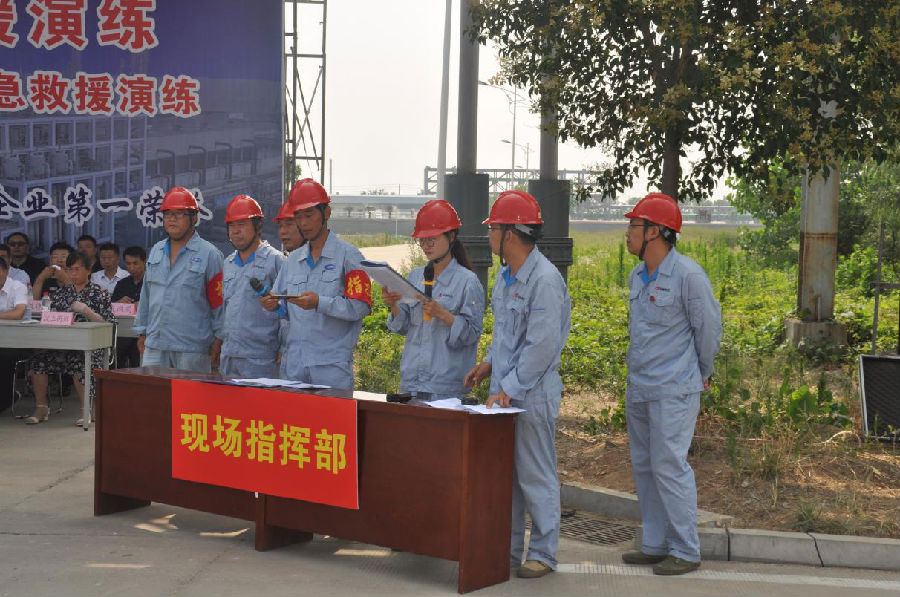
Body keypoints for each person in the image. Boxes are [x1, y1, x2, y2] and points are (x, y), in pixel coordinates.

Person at [463, 190, 571, 579]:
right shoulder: (507, 277)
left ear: (509, 234)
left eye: (492, 229)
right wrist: (489, 364)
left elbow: (541, 346)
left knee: (535, 474)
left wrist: (509, 387)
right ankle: (506, 551)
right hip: (507, 393)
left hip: (531, 395)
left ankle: (543, 553)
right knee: (507, 478)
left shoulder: (544, 280)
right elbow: (507, 335)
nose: (488, 235)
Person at [619, 192, 721, 576]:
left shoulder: (688, 277)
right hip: (640, 387)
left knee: (669, 466)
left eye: (634, 225)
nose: (628, 232)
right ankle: (655, 543)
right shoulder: (637, 276)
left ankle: (685, 549)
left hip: (674, 389)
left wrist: (702, 371)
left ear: (655, 232)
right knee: (645, 467)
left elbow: (708, 330)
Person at [261, 178, 371, 388]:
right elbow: (284, 310)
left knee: (332, 412)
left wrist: (320, 303)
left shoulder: (350, 257)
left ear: (326, 213)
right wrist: (273, 305)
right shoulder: (292, 261)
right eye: (298, 216)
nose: (303, 223)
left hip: (331, 368)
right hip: (294, 366)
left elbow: (360, 307)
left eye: (309, 215)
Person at [383, 200, 484, 400]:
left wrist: (443, 315)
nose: (426, 246)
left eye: (432, 239)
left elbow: (472, 333)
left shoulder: (467, 281)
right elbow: (403, 326)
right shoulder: (415, 276)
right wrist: (393, 306)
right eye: (422, 240)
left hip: (446, 387)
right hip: (413, 382)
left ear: (451, 236)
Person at [134, 187, 225, 373]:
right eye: (168, 214)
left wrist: (219, 339)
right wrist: (142, 331)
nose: (172, 219)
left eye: (179, 214)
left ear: (194, 218)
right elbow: (146, 295)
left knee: (190, 393)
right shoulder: (157, 251)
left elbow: (219, 304)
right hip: (155, 344)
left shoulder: (210, 255)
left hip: (192, 348)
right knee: (153, 391)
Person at [24, 252, 115, 426]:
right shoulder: (61, 293)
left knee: (79, 362)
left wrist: (87, 311)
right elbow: (51, 317)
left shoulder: (100, 293)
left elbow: (108, 324)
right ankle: (41, 408)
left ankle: (86, 409)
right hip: (62, 345)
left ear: (88, 270)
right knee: (38, 362)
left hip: (91, 348)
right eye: (69, 270)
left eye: (77, 269)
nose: (73, 274)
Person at [218, 194, 284, 378]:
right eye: (231, 225)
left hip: (261, 359)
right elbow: (224, 309)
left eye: (241, 224)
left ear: (258, 225)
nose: (235, 231)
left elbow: (289, 312)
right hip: (229, 356)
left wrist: (284, 348)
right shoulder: (228, 263)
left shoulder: (276, 261)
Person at [111, 246, 147, 368]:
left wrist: (142, 305)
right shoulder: (122, 284)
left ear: (144, 262)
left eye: (135, 263)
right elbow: (111, 308)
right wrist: (119, 303)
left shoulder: (152, 283)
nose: (131, 267)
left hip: (144, 332)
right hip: (122, 331)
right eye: (128, 263)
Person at [0, 256, 28, 412]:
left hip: (17, 341)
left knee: (4, 355)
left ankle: (6, 398)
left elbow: (18, 313)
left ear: (6, 271)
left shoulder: (17, 287)